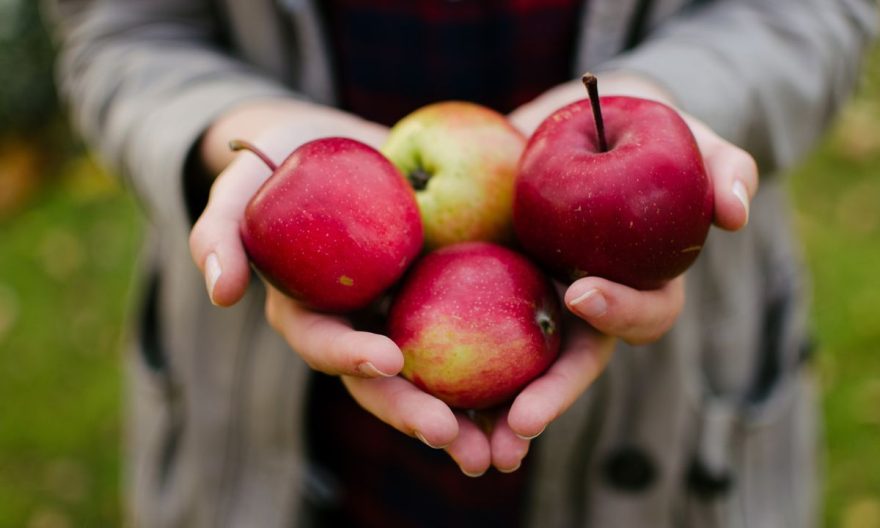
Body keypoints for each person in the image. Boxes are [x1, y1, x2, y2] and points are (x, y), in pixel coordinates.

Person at [47, 0, 875, 526]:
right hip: (278, 429)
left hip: (671, 419)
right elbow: (121, 29)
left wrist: (665, 92)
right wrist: (230, 126)